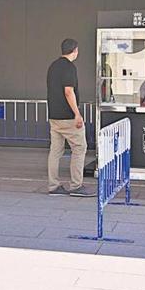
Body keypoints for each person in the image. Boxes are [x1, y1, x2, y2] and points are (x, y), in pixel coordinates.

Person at [46, 39, 95, 197]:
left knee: (55, 151)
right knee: (79, 148)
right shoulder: (69, 67)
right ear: (75, 50)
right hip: (68, 116)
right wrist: (77, 114)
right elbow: (68, 91)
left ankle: (53, 185)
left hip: (54, 116)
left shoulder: (53, 66)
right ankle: (76, 186)